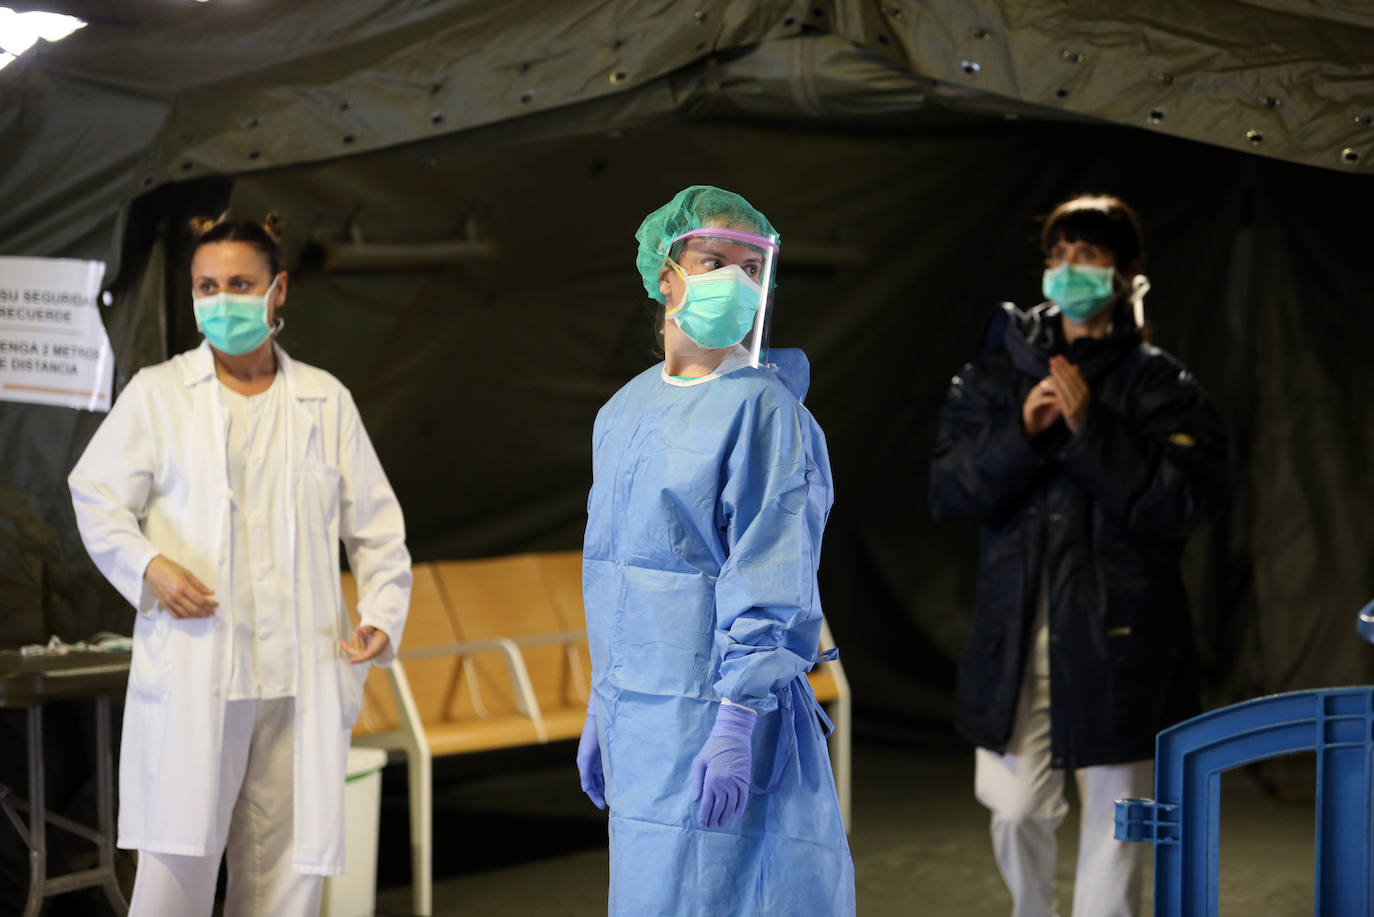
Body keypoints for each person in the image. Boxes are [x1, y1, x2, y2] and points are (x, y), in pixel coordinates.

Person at [68, 214, 411, 917]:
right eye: (207, 285)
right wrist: (149, 566)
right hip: (201, 672)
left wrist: (380, 613)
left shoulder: (324, 400)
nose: (222, 299)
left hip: (297, 677)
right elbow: (94, 494)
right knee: (173, 883)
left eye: (240, 283)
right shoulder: (159, 395)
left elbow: (375, 527)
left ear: (277, 290)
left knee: (285, 880)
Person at [929, 194, 1227, 917]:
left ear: (1126, 273)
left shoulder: (1162, 385)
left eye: (1088, 255)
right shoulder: (997, 373)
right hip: (1020, 633)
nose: (1069, 269)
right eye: (1058, 255)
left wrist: (1092, 428)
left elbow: (1181, 505)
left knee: (1118, 836)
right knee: (1016, 808)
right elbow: (948, 490)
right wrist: (1021, 436)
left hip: (1125, 640)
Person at [575, 185, 855, 916]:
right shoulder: (624, 410)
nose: (734, 279)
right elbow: (614, 571)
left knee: (734, 892)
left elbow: (773, 569)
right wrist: (604, 700)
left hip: (728, 715)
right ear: (665, 274)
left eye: (750, 267)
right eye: (711, 259)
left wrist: (736, 718)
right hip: (643, 718)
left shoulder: (766, 411)